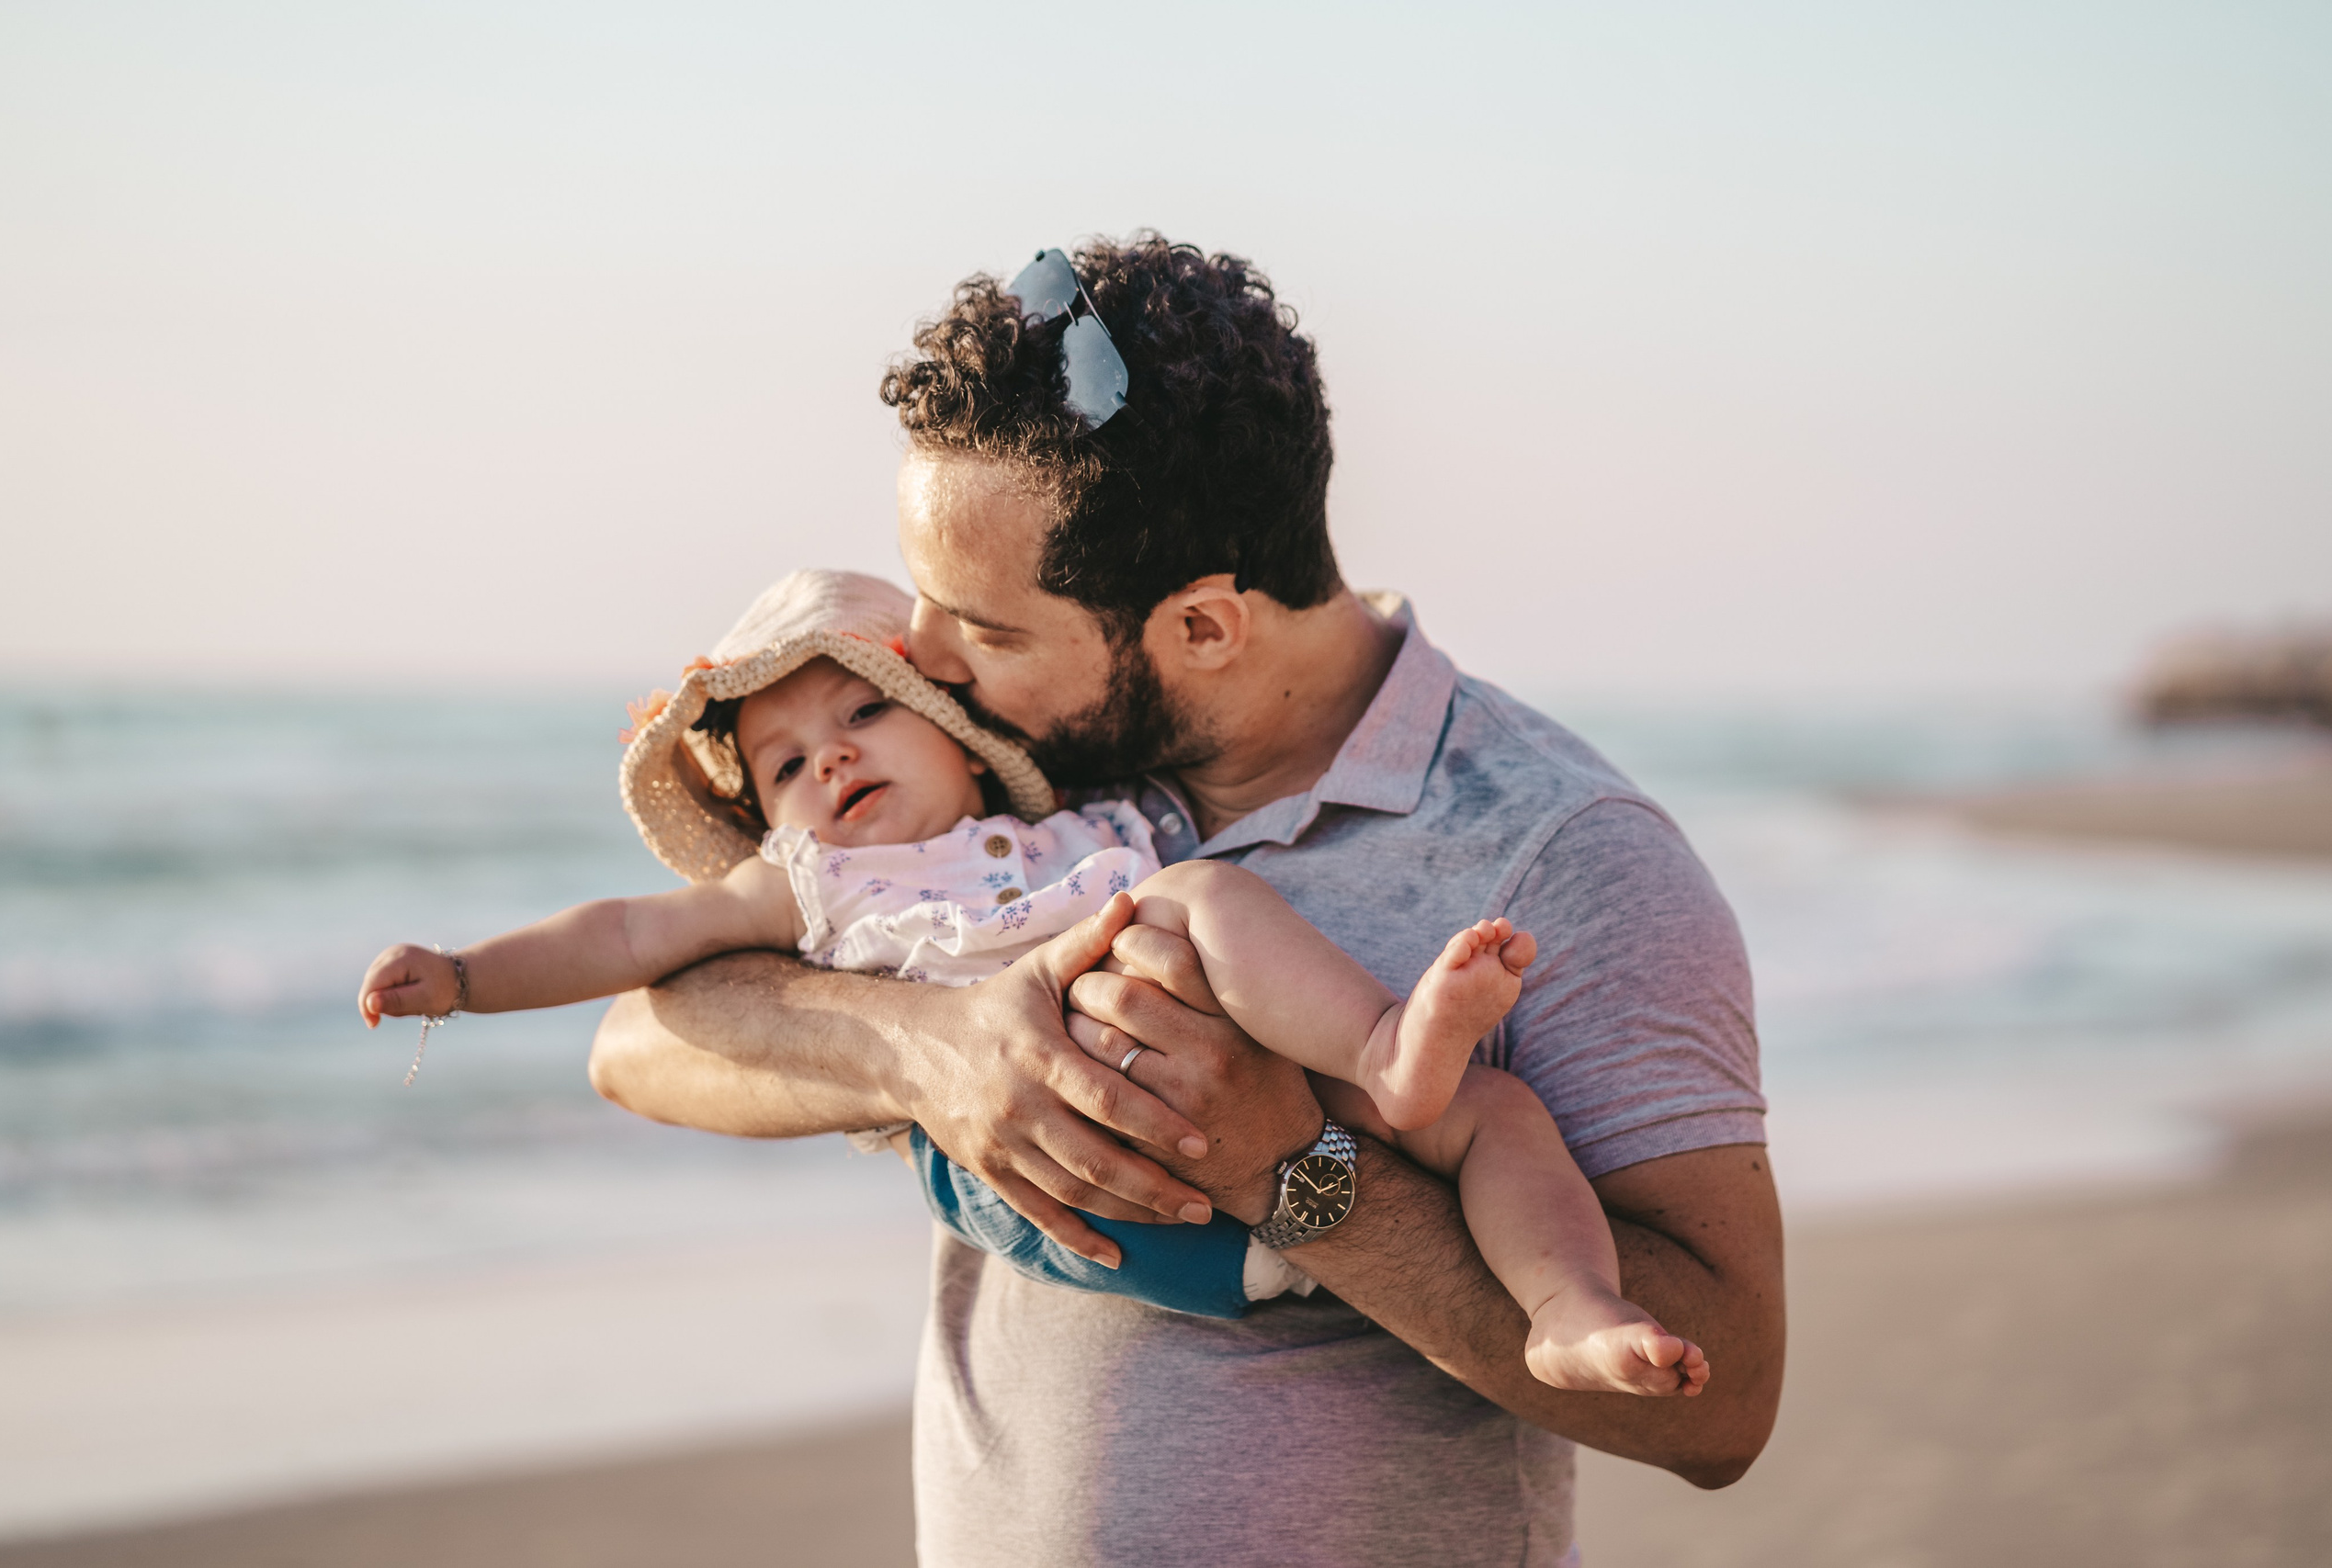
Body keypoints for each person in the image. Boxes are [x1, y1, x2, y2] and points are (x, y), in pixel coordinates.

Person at [589, 236, 1783, 1566]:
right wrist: (938, 1050)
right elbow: (639, 1043)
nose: (919, 663)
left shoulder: (1566, 856)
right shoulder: (1020, 787)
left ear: (1203, 628)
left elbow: (1723, 1407)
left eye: (979, 625)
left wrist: (1293, 1173)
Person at [357, 568, 1711, 1395]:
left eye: (863, 712)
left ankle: (1565, 1306)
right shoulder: (816, 888)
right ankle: (1385, 1048)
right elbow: (627, 946)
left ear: (954, 730)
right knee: (1195, 903)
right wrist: (468, 975)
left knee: (1496, 1116)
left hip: (1265, 1137)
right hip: (1093, 1197)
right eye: (784, 764)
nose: (829, 761)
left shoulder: (1088, 822)